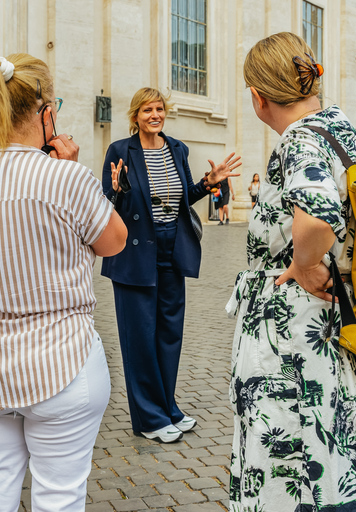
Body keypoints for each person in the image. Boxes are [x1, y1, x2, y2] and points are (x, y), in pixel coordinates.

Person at [0, 53, 127, 511]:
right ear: (46, 113)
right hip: (61, 361)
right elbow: (114, 241)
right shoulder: (66, 177)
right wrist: (71, 170)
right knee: (59, 498)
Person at [228, 32, 356, 511]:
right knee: (349, 442)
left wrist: (302, 262)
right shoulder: (341, 127)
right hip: (344, 318)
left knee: (296, 454)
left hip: (298, 331)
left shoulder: (299, 138)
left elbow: (318, 213)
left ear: (258, 95)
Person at [102, 87, 241, 443]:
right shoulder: (120, 150)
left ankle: (167, 406)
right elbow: (107, 205)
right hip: (134, 253)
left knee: (168, 333)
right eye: (147, 109)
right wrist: (117, 190)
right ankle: (149, 418)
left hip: (172, 248)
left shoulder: (177, 148)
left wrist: (207, 183)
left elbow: (182, 198)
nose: (155, 115)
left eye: (160, 108)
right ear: (136, 116)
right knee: (140, 336)